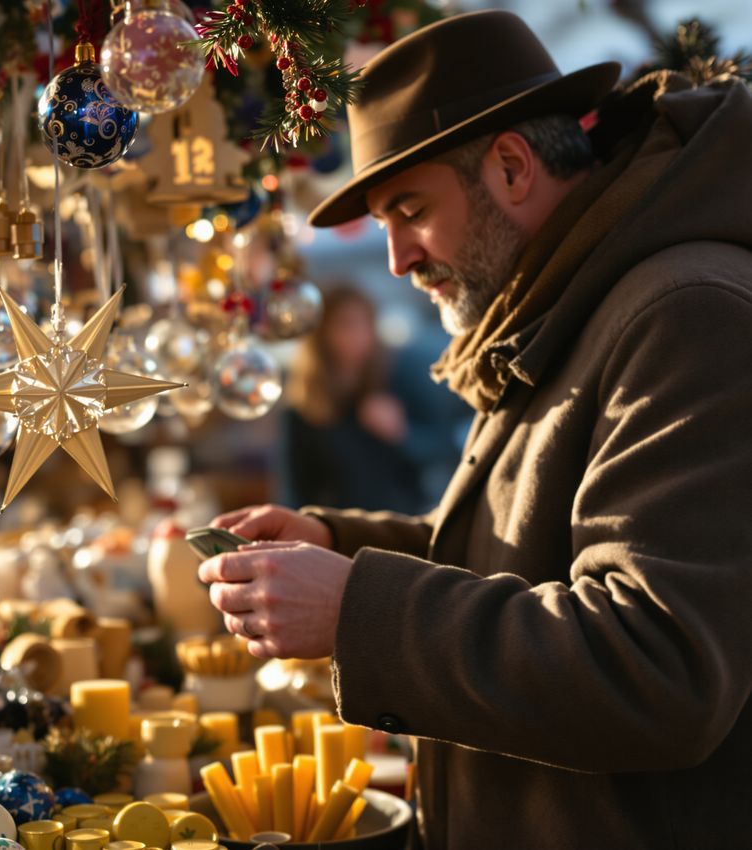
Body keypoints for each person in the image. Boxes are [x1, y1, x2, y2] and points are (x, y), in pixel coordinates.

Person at [197, 10, 752, 849]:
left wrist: (355, 609)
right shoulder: (558, 306)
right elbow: (517, 562)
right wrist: (336, 543)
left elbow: (657, 667)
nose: (396, 261)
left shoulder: (684, 313)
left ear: (512, 165)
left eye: (410, 210)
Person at [277, 285, 424, 514]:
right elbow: (293, 492)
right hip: (335, 535)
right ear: (322, 333)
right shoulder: (303, 408)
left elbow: (442, 453)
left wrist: (402, 435)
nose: (358, 335)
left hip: (397, 529)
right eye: (346, 325)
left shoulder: (394, 382)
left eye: (365, 324)